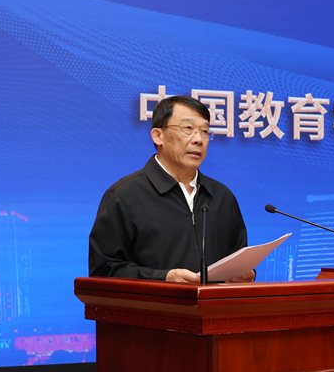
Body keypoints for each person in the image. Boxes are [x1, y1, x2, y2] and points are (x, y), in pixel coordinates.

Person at [89, 95, 255, 283]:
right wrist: (164, 278)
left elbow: (238, 256)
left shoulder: (222, 196)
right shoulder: (124, 195)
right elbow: (104, 271)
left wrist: (245, 274)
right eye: (188, 128)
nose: (199, 139)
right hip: (153, 303)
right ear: (158, 136)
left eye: (205, 131)